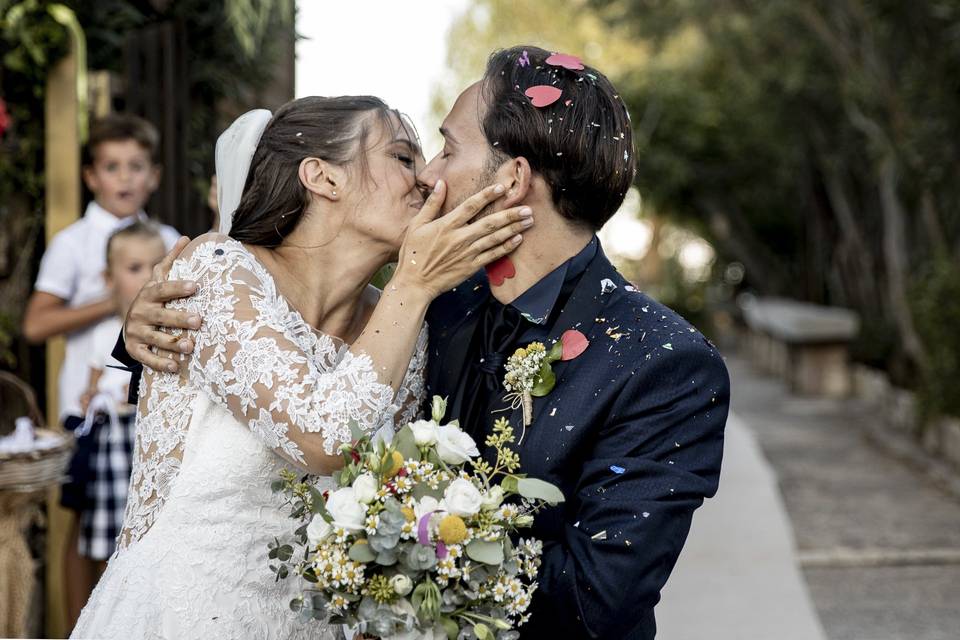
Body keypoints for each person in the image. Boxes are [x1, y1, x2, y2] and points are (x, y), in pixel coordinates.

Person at [125, 47, 731, 639]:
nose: (429, 175)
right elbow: (284, 363)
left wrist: (401, 543)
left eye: (449, 148)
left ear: (513, 180)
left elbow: (598, 599)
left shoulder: (663, 363)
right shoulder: (431, 302)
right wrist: (147, 332)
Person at [70, 97, 533, 640]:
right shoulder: (217, 272)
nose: (427, 180)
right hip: (178, 617)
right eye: (403, 158)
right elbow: (321, 439)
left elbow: (388, 495)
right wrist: (412, 284)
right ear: (321, 177)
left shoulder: (402, 319)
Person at [21, 113, 179, 627]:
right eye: (113, 167)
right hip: (90, 411)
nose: (126, 178)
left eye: (137, 167)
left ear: (154, 175)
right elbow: (36, 323)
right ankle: (77, 629)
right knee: (84, 529)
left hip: (151, 408)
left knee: (150, 526)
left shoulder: (172, 240)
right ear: (92, 177)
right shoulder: (73, 243)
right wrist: (115, 301)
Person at [74, 222, 167, 568]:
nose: (148, 276)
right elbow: (92, 385)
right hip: (115, 441)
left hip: (154, 436)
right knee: (113, 526)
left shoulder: (169, 328)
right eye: (134, 268)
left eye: (156, 265)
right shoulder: (104, 335)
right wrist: (90, 399)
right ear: (109, 279)